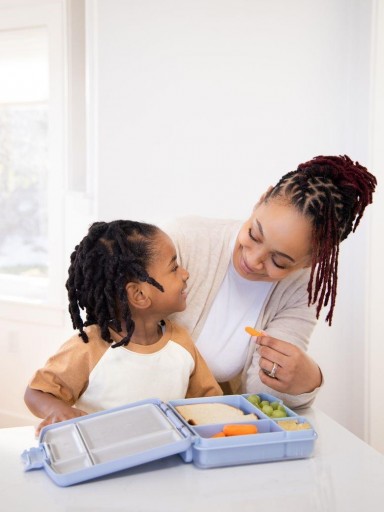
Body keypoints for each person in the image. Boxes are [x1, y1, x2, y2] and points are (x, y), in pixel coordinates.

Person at [167, 155, 377, 408]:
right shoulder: (184, 240)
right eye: (254, 234)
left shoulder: (300, 289)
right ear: (261, 200)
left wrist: (306, 380)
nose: (253, 260)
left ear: (311, 262)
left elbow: (262, 394)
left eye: (279, 261)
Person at [24, 220, 222, 434]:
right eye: (174, 268)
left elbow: (209, 402)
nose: (185, 274)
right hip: (103, 461)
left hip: (166, 461)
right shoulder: (89, 348)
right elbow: (36, 393)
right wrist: (60, 411)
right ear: (139, 295)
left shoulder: (182, 342)